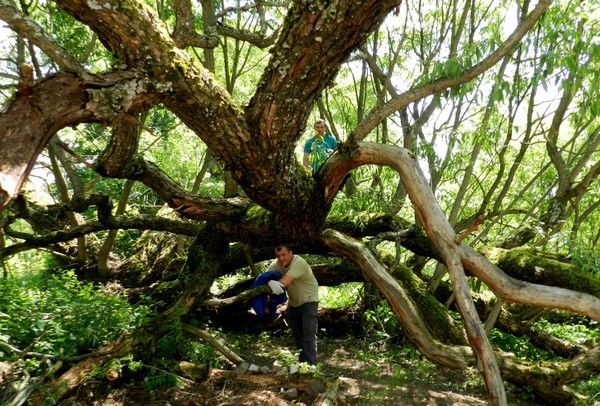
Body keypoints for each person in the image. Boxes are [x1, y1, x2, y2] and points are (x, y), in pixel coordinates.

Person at [266, 244, 319, 366]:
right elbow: (264, 278)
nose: (281, 258)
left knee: (308, 335)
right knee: (298, 336)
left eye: (284, 255)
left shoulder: (298, 262)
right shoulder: (277, 263)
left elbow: (282, 284)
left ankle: (311, 367)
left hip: (309, 301)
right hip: (294, 303)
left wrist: (271, 283)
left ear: (291, 253)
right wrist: (268, 282)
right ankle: (302, 365)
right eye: (278, 256)